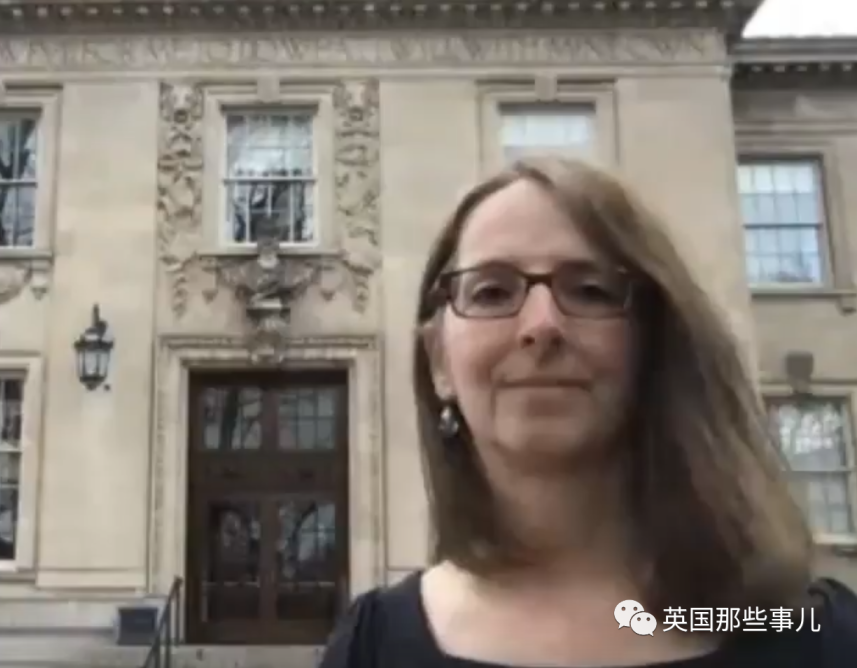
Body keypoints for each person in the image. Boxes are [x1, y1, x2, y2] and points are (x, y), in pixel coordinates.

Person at [319, 157, 857, 667]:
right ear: (439, 360)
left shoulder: (811, 633)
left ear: (655, 339)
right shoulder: (373, 647)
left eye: (591, 291)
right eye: (491, 292)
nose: (541, 325)